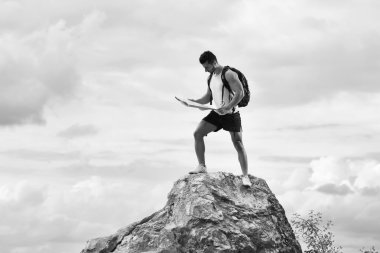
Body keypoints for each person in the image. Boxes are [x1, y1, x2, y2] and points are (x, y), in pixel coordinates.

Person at [186, 51, 252, 187]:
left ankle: (245, 176)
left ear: (214, 62)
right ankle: (202, 166)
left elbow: (240, 93)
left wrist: (228, 107)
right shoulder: (210, 78)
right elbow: (207, 97)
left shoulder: (229, 74)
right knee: (197, 133)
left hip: (231, 113)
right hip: (217, 113)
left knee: (238, 144)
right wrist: (194, 102)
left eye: (207, 67)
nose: (205, 70)